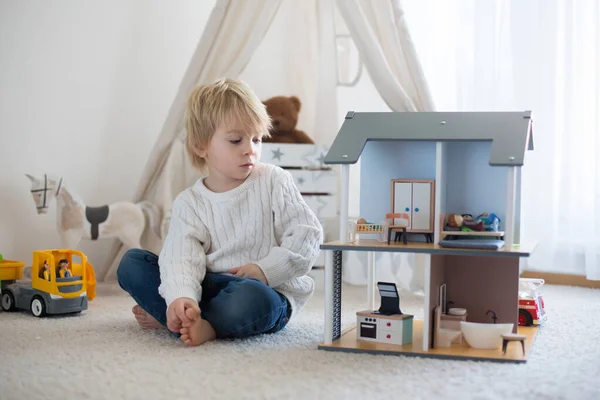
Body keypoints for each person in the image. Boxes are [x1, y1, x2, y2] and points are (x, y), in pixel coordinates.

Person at [117, 78, 323, 347]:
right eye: (236, 140)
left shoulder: (274, 180)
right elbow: (180, 257)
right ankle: (183, 313)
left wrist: (264, 270)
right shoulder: (189, 202)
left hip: (265, 289)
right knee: (132, 263)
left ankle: (197, 323)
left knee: (255, 300)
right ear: (201, 146)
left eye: (257, 139)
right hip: (208, 286)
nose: (250, 149)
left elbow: (307, 234)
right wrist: (182, 296)